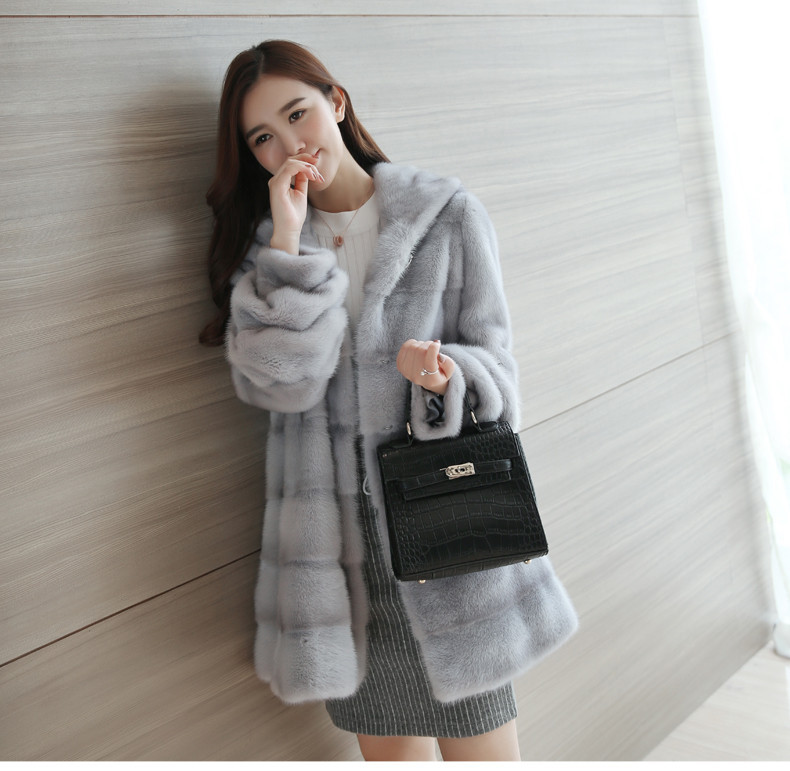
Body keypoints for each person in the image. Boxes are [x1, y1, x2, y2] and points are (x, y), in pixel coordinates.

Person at [200, 40, 577, 762]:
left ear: (336, 102)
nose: (289, 145)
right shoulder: (270, 256)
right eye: (263, 138)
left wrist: (442, 378)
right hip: (338, 554)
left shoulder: (446, 215)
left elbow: (501, 375)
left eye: (297, 114)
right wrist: (288, 242)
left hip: (444, 527)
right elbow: (279, 387)